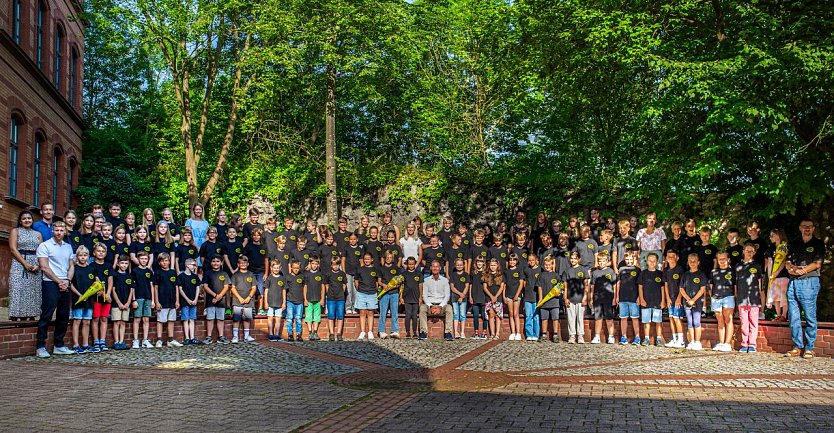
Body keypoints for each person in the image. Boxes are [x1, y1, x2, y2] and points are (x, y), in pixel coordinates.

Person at [785, 219, 825, 359]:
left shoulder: (818, 244)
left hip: (809, 282)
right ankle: (797, 346)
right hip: (793, 282)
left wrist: (803, 270)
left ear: (813, 228)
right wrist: (791, 268)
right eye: (804, 227)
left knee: (809, 316)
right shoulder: (795, 243)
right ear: (800, 228)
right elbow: (788, 260)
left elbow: (817, 263)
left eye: (809, 227)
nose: (806, 229)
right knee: (794, 317)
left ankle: (809, 348)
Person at [35, 221, 75, 358]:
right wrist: (59, 281)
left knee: (63, 315)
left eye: (61, 230)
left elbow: (71, 266)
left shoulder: (68, 247)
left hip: (65, 282)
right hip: (50, 282)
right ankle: (40, 346)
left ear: (65, 232)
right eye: (56, 230)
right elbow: (44, 267)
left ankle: (59, 345)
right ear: (53, 230)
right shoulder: (44, 245)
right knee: (47, 314)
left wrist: (68, 281)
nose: (59, 232)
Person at [9, 210, 43, 321]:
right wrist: (25, 264)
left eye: (29, 218)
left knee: (33, 291)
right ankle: (16, 315)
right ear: (20, 220)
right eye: (24, 218)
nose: (27, 220)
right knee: (18, 289)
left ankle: (31, 315)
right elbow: (13, 249)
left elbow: (42, 252)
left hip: (35, 266)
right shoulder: (15, 231)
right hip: (19, 264)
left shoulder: (38, 234)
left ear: (32, 220)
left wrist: (38, 265)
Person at [736, 244, 764, 353]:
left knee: (753, 322)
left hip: (754, 299)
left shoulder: (757, 266)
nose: (749, 253)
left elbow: (760, 284)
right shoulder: (738, 266)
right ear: (743, 251)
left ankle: (752, 344)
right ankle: (744, 343)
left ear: (754, 253)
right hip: (742, 298)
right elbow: (735, 284)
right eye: (747, 251)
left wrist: (761, 299)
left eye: (751, 251)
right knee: (744, 322)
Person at [418, 260, 454, 341]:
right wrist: (431, 306)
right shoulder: (426, 280)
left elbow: (447, 295)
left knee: (449, 308)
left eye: (437, 266)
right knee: (422, 308)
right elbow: (425, 295)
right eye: (433, 266)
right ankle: (423, 332)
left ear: (440, 268)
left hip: (441, 304)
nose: (435, 268)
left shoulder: (445, 280)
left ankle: (448, 332)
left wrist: (440, 307)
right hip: (429, 305)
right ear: (430, 268)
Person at [152, 252, 181, 348]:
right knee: (160, 320)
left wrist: (177, 300)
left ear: (169, 261)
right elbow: (155, 288)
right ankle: (159, 340)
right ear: (159, 263)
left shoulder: (173, 272)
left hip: (172, 301)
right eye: (162, 261)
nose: (164, 263)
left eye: (166, 261)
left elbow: (176, 287)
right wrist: (157, 301)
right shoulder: (158, 272)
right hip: (162, 301)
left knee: (171, 320)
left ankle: (170, 339)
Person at [69, 246, 94, 353]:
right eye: (80, 255)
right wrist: (79, 294)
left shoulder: (91, 269)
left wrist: (91, 292)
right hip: (77, 299)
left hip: (89, 299)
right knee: (77, 321)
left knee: (87, 322)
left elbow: (95, 283)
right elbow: (70, 284)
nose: (83, 257)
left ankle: (85, 344)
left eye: (85, 255)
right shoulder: (74, 268)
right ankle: (75, 345)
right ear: (77, 256)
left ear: (88, 256)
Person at [637, 253, 665, 346]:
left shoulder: (660, 274)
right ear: (647, 261)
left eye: (654, 261)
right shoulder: (643, 273)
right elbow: (640, 287)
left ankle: (659, 339)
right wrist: (641, 299)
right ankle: (646, 339)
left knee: (658, 321)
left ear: (657, 262)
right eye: (650, 260)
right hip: (646, 300)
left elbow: (663, 288)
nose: (652, 262)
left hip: (657, 301)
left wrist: (663, 300)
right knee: (646, 321)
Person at [710, 252, 735, 352]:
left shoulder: (732, 272)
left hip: (728, 296)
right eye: (720, 259)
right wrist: (712, 297)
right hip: (716, 298)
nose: (722, 261)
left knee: (728, 319)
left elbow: (735, 286)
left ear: (728, 259)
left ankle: (727, 343)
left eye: (724, 259)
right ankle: (721, 342)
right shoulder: (714, 272)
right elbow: (711, 286)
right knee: (720, 320)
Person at [681, 253, 707, 350]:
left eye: (694, 261)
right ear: (688, 262)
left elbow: (702, 289)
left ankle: (697, 342)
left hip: (697, 302)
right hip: (687, 302)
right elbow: (681, 289)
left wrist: (693, 300)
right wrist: (688, 299)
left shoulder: (701, 275)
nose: (692, 263)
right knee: (689, 322)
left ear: (698, 262)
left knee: (696, 321)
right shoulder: (685, 275)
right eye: (690, 261)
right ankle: (691, 341)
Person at [90, 243, 113, 352]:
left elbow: (110, 280)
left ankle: (103, 341)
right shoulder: (92, 266)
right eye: (98, 251)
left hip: (107, 297)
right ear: (94, 252)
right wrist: (102, 293)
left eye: (103, 251)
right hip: (97, 296)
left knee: (104, 318)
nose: (100, 253)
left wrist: (108, 294)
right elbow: (96, 280)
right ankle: (96, 342)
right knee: (96, 318)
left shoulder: (108, 265)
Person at [202, 255, 230, 344]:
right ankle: (209, 336)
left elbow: (226, 287)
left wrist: (219, 297)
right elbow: (205, 286)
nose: (215, 263)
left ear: (221, 263)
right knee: (210, 318)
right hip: (210, 300)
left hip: (221, 301)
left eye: (218, 261)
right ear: (211, 263)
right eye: (213, 261)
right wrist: (214, 296)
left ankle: (221, 336)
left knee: (220, 319)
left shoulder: (224, 274)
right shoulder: (207, 273)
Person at [590, 253, 616, 344]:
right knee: (598, 318)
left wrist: (615, 298)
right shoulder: (595, 273)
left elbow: (615, 286)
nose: (601, 263)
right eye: (600, 261)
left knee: (609, 318)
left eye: (603, 261)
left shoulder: (611, 271)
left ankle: (611, 336)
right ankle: (597, 336)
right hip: (597, 298)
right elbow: (592, 286)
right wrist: (591, 298)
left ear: (607, 261)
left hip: (608, 297)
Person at [563, 252, 589, 344]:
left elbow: (586, 286)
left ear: (579, 259)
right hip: (570, 298)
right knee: (571, 318)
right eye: (571, 258)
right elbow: (565, 287)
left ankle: (580, 335)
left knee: (580, 318)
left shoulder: (583, 270)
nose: (573, 260)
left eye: (575, 258)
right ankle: (572, 335)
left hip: (580, 298)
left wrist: (585, 298)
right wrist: (565, 298)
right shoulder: (567, 271)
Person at [615, 252, 641, 345]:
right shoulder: (621, 269)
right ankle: (623, 337)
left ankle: (637, 337)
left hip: (634, 298)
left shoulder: (637, 270)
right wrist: (617, 296)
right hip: (623, 297)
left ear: (634, 259)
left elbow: (640, 285)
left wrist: (639, 297)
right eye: (627, 259)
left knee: (635, 318)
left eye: (631, 259)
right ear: (624, 260)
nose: (629, 261)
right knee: (623, 318)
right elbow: (618, 283)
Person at [230, 256, 257, 343]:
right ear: (238, 264)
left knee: (247, 319)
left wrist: (249, 297)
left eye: (245, 263)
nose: (243, 264)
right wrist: (240, 298)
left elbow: (254, 288)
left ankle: (246, 336)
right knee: (236, 319)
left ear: (248, 264)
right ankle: (235, 336)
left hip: (248, 301)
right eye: (241, 263)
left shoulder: (251, 274)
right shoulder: (235, 275)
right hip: (237, 301)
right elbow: (232, 288)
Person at [110, 255, 134, 350]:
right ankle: (116, 341)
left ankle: (121, 341)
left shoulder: (129, 276)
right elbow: (113, 290)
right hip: (117, 303)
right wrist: (119, 303)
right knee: (117, 322)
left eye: (126, 263)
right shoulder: (115, 275)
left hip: (126, 303)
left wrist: (128, 303)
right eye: (122, 263)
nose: (124, 265)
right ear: (118, 264)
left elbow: (131, 290)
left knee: (123, 322)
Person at [663, 250, 686, 348]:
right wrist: (667, 299)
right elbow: (666, 285)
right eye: (669, 257)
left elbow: (682, 286)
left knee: (677, 319)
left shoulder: (680, 270)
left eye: (672, 256)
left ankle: (681, 341)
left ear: (677, 258)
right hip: (670, 299)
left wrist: (679, 299)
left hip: (678, 299)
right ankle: (674, 338)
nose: (670, 258)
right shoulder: (666, 270)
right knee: (671, 318)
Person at [131, 251, 155, 348]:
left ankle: (145, 340)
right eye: (142, 258)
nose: (144, 260)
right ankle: (135, 340)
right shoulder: (135, 271)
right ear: (138, 259)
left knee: (146, 319)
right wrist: (133, 300)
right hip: (138, 297)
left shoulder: (149, 272)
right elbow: (132, 286)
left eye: (146, 259)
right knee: (137, 319)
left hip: (148, 297)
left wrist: (153, 300)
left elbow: (151, 286)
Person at [536, 255, 562, 343]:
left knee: (555, 318)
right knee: (544, 318)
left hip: (555, 302)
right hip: (544, 302)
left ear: (552, 265)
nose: (547, 266)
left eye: (549, 265)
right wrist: (540, 299)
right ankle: (543, 334)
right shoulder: (541, 275)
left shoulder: (556, 275)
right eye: (546, 265)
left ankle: (555, 334)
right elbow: (539, 287)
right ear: (544, 265)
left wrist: (559, 292)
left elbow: (560, 287)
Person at [766, 228, 790, 321]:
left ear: (779, 235)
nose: (770, 237)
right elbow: (769, 262)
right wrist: (770, 275)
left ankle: (784, 315)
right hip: (773, 276)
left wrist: (777, 272)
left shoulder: (784, 247)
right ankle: (778, 314)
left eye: (772, 235)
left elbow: (784, 261)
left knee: (783, 295)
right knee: (775, 296)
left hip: (783, 275)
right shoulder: (771, 248)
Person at [355, 253, 380, 340]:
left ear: (372, 260)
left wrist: (374, 290)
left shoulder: (375, 270)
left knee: (370, 313)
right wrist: (359, 289)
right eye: (365, 259)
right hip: (361, 293)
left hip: (372, 293)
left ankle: (370, 331)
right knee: (362, 312)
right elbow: (356, 280)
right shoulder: (360, 269)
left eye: (368, 259)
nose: (367, 260)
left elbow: (377, 282)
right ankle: (362, 331)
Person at [377, 251, 401, 339]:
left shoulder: (397, 268)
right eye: (387, 257)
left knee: (394, 312)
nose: (388, 259)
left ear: (393, 259)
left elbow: (399, 282)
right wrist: (383, 285)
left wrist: (392, 286)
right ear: (384, 258)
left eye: (390, 257)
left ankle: (395, 331)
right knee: (383, 313)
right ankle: (381, 331)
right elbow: (379, 281)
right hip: (384, 293)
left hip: (394, 293)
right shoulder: (381, 269)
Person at [177, 258, 201, 345]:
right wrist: (187, 299)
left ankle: (192, 337)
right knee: (185, 319)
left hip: (193, 301)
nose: (194, 267)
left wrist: (195, 299)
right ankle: (187, 338)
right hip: (184, 301)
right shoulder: (181, 276)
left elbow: (197, 288)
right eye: (193, 265)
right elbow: (180, 289)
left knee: (192, 319)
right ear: (187, 265)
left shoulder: (195, 276)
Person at [324, 257, 347, 341]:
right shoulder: (328, 274)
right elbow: (326, 284)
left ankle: (339, 333)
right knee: (331, 315)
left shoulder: (342, 274)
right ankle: (331, 333)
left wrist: (341, 292)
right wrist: (329, 292)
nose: (335, 266)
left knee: (340, 316)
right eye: (334, 265)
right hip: (331, 298)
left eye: (337, 264)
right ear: (331, 265)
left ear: (339, 264)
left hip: (340, 298)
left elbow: (344, 284)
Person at [303, 256, 325, 340]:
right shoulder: (306, 274)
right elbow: (304, 287)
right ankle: (310, 332)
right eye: (313, 263)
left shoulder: (320, 274)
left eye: (316, 264)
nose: (314, 265)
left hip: (318, 299)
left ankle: (315, 332)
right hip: (309, 299)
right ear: (310, 264)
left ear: (318, 265)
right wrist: (305, 299)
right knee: (308, 315)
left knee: (317, 316)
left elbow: (323, 287)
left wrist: (322, 299)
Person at [401, 257, 423, 339]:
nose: (411, 266)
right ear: (407, 264)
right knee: (408, 315)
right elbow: (402, 286)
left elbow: (420, 286)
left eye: (412, 264)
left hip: (416, 297)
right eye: (409, 264)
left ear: (415, 264)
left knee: (414, 315)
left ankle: (414, 332)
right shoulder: (404, 274)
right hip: (407, 298)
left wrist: (420, 297)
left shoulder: (419, 274)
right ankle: (407, 332)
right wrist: (401, 297)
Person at [483, 258, 505, 340]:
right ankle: (492, 333)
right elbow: (485, 288)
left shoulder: (500, 276)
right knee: (491, 315)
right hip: (489, 298)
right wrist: (491, 296)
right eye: (491, 265)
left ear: (497, 266)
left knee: (498, 316)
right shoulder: (486, 275)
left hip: (498, 298)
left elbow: (502, 287)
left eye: (494, 265)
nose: (493, 267)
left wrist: (495, 296)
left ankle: (497, 333)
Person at [264, 260, 286, 341]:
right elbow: (266, 290)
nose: (276, 269)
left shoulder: (282, 278)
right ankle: (270, 334)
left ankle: (276, 335)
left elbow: (284, 290)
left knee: (278, 319)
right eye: (274, 268)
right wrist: (265, 302)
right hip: (270, 302)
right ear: (271, 268)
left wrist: (284, 302)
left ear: (280, 268)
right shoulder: (269, 278)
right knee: (270, 318)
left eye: (277, 268)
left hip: (279, 302)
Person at [342, 233, 363, 314]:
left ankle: (355, 307)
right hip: (348, 272)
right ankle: (348, 307)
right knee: (349, 290)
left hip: (357, 274)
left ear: (357, 240)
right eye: (351, 239)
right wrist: (343, 271)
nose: (352, 240)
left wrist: (361, 272)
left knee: (355, 290)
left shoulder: (360, 249)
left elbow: (361, 261)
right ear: (349, 240)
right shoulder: (346, 248)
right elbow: (343, 260)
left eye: (354, 239)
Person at [449, 258, 470, 339]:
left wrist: (462, 295)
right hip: (455, 297)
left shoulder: (466, 275)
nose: (459, 266)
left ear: (464, 265)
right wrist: (460, 294)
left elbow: (467, 286)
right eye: (458, 265)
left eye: (461, 265)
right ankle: (456, 332)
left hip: (463, 298)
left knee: (462, 315)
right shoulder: (453, 275)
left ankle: (462, 332)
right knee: (456, 314)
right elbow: (452, 287)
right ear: (455, 265)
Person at [523, 254, 542, 341]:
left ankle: (536, 334)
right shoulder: (526, 269)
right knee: (528, 315)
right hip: (527, 296)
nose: (531, 262)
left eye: (532, 260)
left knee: (536, 316)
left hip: (536, 296)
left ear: (536, 260)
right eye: (529, 260)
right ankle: (529, 334)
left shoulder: (540, 269)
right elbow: (523, 282)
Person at [285, 260, 305, 342]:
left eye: (297, 268)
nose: (296, 269)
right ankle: (290, 334)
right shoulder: (288, 277)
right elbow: (285, 289)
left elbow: (304, 288)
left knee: (298, 318)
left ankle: (298, 334)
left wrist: (304, 299)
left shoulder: (301, 276)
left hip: (299, 301)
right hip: (290, 300)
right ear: (291, 268)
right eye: (294, 268)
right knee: (289, 318)